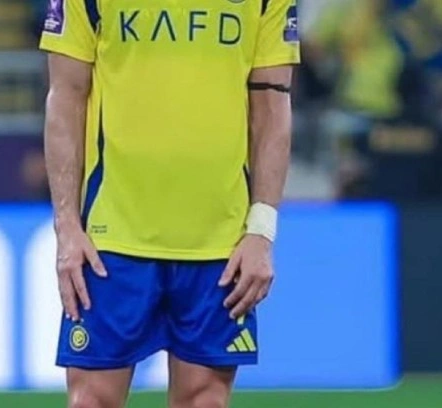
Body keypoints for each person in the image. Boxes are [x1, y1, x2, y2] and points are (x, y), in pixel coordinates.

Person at [40, 0, 299, 406]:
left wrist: (262, 231)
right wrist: (67, 227)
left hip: (220, 241)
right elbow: (65, 96)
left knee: (204, 400)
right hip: (112, 234)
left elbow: (272, 104)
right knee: (92, 400)